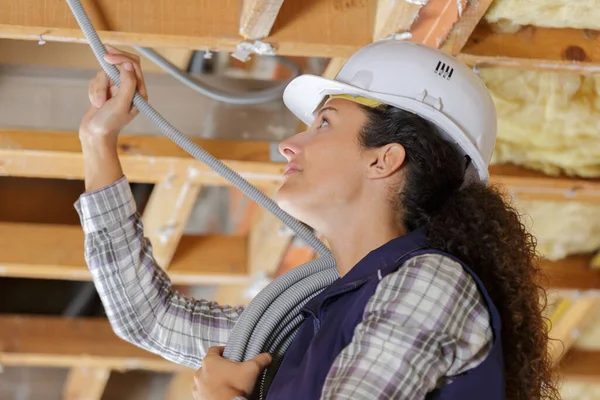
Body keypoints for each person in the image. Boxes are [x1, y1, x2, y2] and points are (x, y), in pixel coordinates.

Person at [74, 40, 559, 400]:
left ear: (384, 160)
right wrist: (99, 142)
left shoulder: (431, 284)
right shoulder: (314, 321)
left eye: (323, 123)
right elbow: (149, 319)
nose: (290, 144)